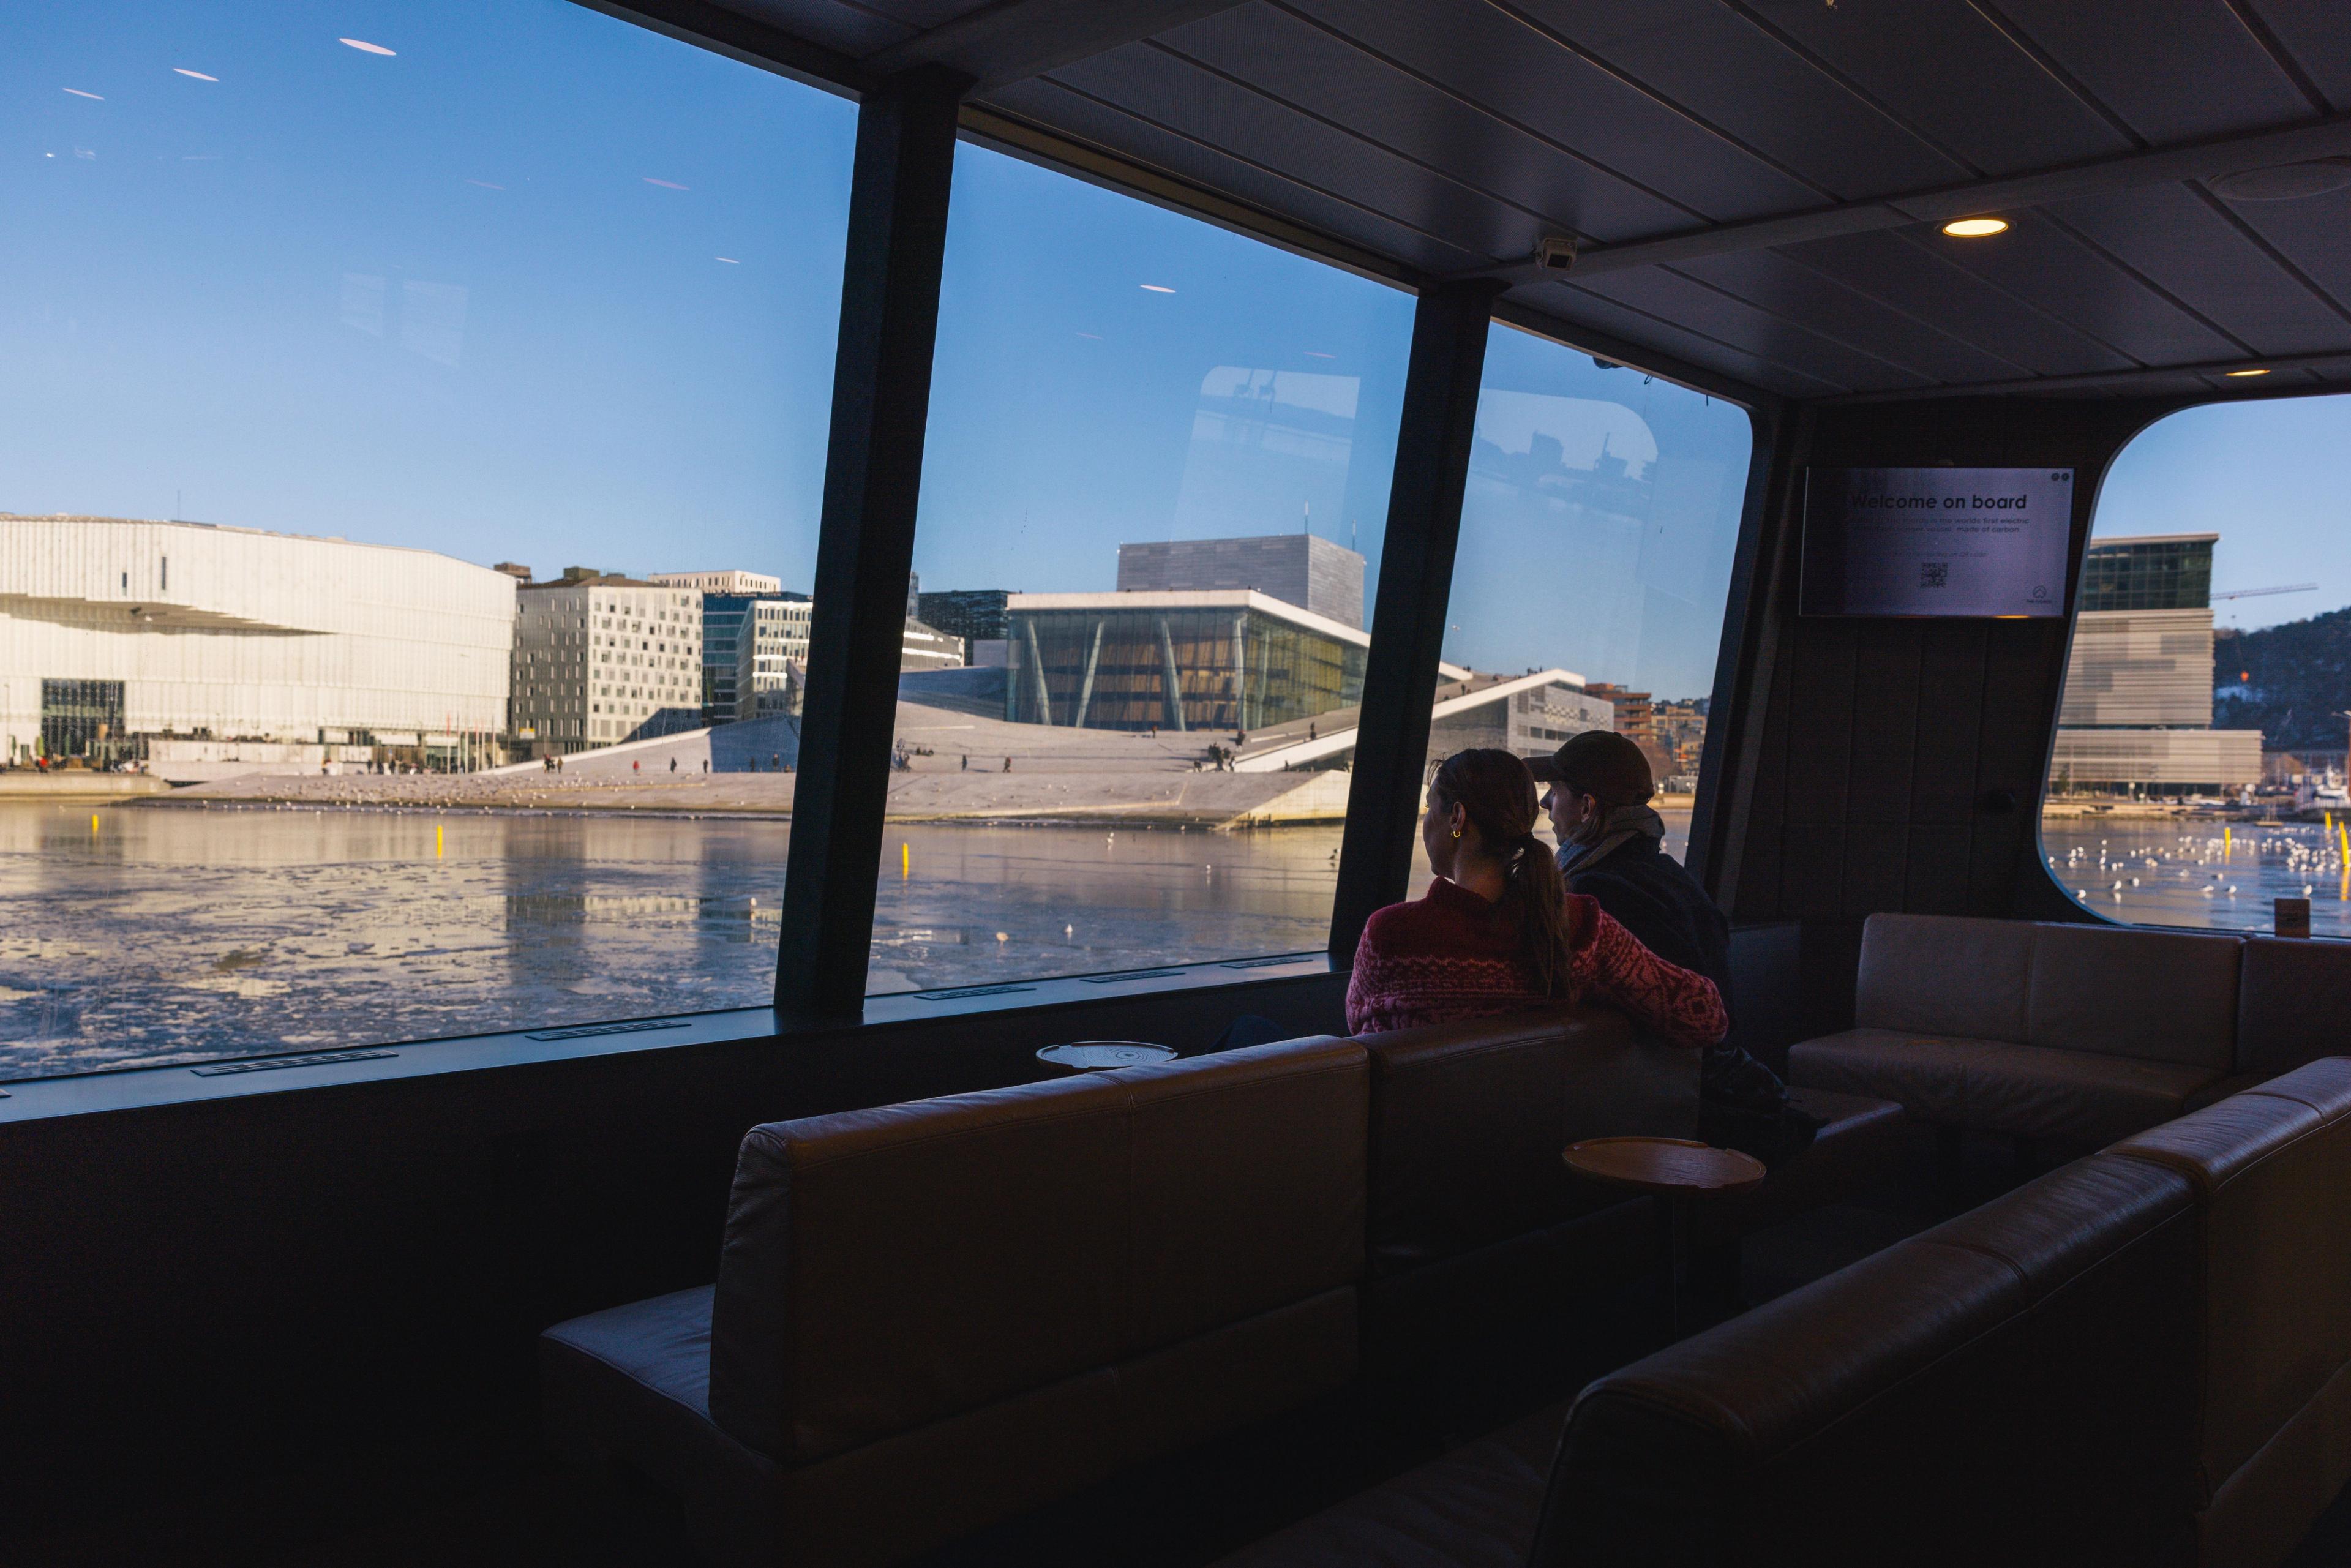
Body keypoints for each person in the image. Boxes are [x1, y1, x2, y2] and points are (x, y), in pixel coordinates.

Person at [1531, 730, 1818, 1161]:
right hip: (1704, 1087)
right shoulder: (1671, 877)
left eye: (1554, 791)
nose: (1545, 804)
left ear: (1588, 807)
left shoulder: (1594, 894)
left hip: (1664, 1108)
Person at [1345, 748, 1727, 1047]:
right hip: (1550, 1141)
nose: (1426, 822)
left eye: (1431, 808)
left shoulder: (1390, 938)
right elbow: (1705, 1016)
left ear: (1457, 818)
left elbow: (1363, 1039)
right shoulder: (1583, 930)